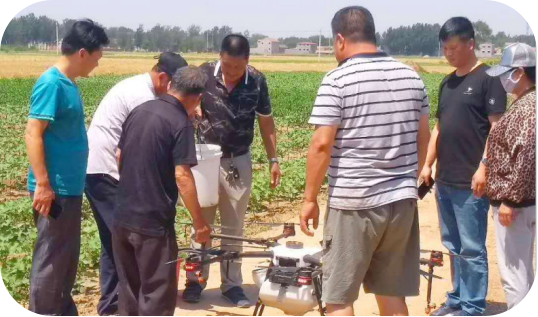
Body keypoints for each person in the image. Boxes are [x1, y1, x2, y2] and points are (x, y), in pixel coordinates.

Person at [300, 6, 431, 316]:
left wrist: (309, 199)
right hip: (401, 202)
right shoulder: (412, 78)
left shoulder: (338, 79)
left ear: (341, 39)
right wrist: (405, 179)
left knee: (339, 297)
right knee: (392, 295)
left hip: (354, 204)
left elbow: (321, 145)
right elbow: (423, 138)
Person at [85, 52, 188, 316]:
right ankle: (127, 304)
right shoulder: (142, 99)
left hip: (100, 169)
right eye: (175, 86)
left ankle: (112, 304)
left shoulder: (140, 88)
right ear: (163, 77)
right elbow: (128, 153)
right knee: (131, 239)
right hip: (107, 171)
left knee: (114, 240)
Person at [183, 34, 281, 308]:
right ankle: (194, 281)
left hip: (238, 160)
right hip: (204, 159)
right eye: (226, 66)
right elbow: (180, 97)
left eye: (237, 67)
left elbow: (266, 123)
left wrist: (273, 159)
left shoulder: (257, 81)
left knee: (233, 227)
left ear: (247, 61)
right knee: (200, 222)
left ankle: (232, 285)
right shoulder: (203, 73)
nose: (231, 72)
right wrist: (193, 106)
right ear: (219, 58)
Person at [419, 17, 507, 317]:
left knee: (472, 248)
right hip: (444, 180)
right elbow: (439, 128)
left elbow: (496, 130)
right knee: (452, 245)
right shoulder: (448, 82)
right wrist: (428, 165)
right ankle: (457, 298)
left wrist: (483, 167)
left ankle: (472, 306)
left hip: (472, 181)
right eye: (444, 48)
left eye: (454, 47)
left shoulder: (488, 79)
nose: (448, 53)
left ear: (471, 43)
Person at [24, 19, 109, 316]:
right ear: (82, 53)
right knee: (51, 260)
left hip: (69, 187)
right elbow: (33, 132)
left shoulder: (69, 84)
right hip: (55, 190)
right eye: (97, 58)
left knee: (65, 259)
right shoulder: (51, 83)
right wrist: (44, 185)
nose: (96, 65)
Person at [112, 66, 211, 316]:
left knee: (129, 291)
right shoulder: (180, 123)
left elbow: (119, 155)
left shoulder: (139, 110)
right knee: (157, 294)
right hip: (153, 225)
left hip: (122, 217)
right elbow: (183, 176)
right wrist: (200, 223)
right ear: (197, 97)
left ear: (170, 85)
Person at [485, 43, 536, 311]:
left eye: (508, 73)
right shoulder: (526, 104)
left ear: (520, 72)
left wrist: (510, 201)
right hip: (522, 202)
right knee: (524, 271)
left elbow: (526, 157)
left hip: (515, 206)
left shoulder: (527, 108)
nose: (504, 79)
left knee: (514, 275)